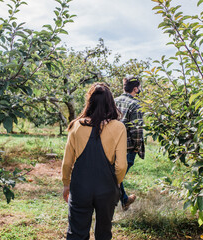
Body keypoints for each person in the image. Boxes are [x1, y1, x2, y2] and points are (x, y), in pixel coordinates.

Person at [62, 82, 127, 240]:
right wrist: (117, 183)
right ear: (110, 102)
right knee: (104, 233)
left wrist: (66, 184)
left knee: (76, 233)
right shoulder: (119, 127)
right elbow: (121, 165)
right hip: (106, 188)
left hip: (80, 187)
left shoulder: (76, 126)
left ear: (89, 102)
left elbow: (67, 162)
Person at [114, 76, 145, 211]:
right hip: (127, 148)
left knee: (115, 176)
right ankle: (110, 208)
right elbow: (137, 130)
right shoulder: (135, 105)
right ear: (135, 89)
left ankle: (125, 199)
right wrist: (137, 148)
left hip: (112, 146)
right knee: (115, 179)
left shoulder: (113, 101)